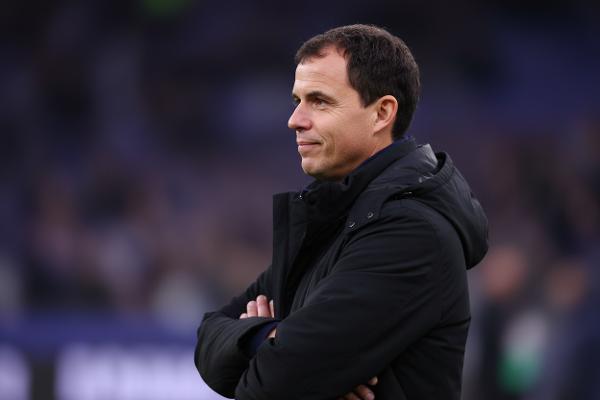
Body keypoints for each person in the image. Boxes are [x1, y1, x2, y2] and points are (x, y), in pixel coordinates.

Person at [194, 24, 488, 400]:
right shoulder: (331, 219)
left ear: (382, 113)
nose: (295, 119)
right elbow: (209, 337)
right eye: (297, 100)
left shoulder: (412, 233)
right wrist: (265, 338)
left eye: (319, 101)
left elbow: (274, 386)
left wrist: (267, 345)